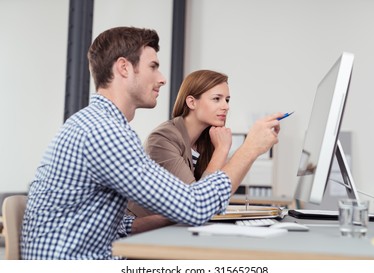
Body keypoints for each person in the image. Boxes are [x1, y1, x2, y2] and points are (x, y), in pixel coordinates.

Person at [21, 26, 283, 260]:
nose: (162, 78)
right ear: (124, 67)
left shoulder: (97, 124)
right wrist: (251, 148)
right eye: (153, 67)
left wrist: (170, 214)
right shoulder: (105, 133)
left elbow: (113, 223)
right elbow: (196, 206)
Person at [128, 70, 233, 218]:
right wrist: (221, 150)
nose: (226, 106)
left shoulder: (207, 140)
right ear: (191, 102)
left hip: (175, 228)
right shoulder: (162, 139)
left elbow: (220, 196)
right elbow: (199, 203)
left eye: (227, 100)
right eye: (217, 99)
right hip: (144, 232)